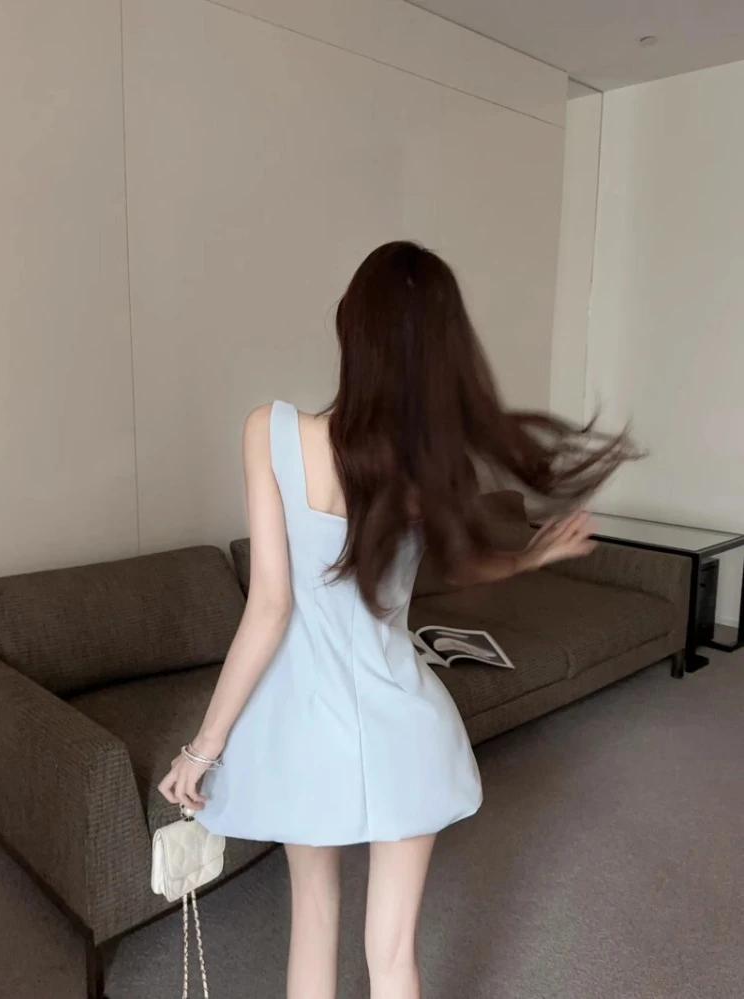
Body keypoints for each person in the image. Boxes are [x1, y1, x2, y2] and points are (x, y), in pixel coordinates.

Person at [159, 241, 633, 999]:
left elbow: (271, 605)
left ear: (351, 325)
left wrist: (201, 748)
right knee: (394, 958)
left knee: (314, 918)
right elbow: (465, 565)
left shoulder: (270, 431)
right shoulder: (431, 467)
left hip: (303, 729)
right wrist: (530, 558)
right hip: (402, 724)